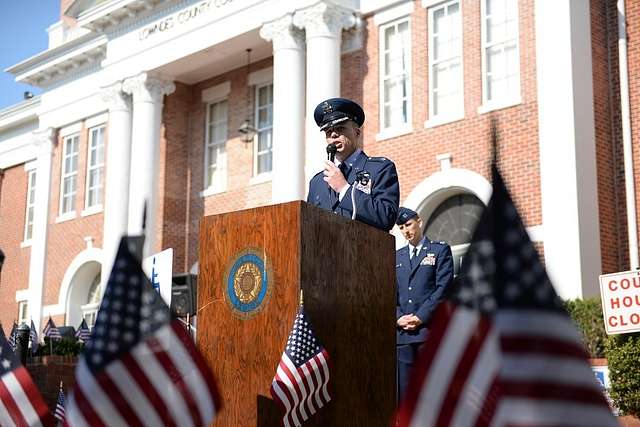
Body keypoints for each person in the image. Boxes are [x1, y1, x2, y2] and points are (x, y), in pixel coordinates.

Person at [307, 98, 399, 231]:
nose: (333, 134)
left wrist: (344, 189)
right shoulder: (317, 182)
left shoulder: (379, 168)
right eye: (328, 132)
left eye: (340, 128)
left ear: (357, 133)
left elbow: (386, 217)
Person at [395, 207, 453, 401]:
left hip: (427, 331)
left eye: (409, 224)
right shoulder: (397, 257)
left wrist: (421, 316)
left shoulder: (439, 250)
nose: (406, 231)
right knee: (406, 394)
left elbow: (443, 288)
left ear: (419, 221)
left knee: (431, 391)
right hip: (403, 336)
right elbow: (390, 293)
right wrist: (398, 318)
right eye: (402, 227)